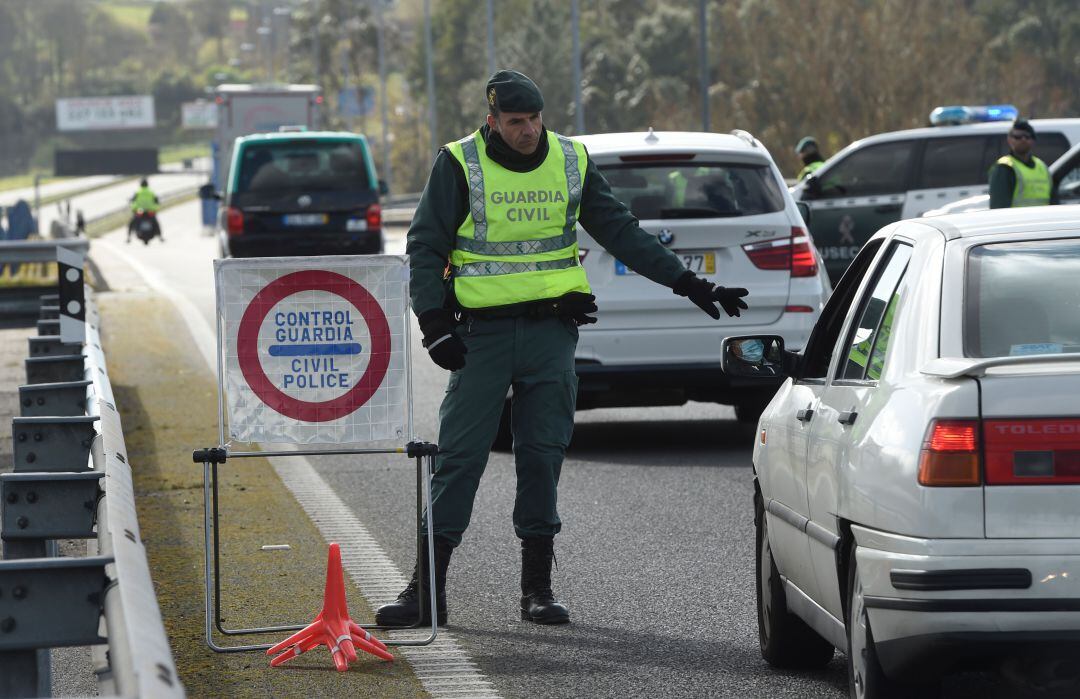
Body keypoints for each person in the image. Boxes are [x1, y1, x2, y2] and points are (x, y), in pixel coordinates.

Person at [377, 69, 750, 628]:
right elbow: (426, 245)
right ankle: (425, 589)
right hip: (480, 336)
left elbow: (620, 230)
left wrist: (690, 283)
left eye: (534, 120)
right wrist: (433, 323)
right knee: (458, 459)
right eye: (515, 122)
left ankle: (537, 590)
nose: (528, 131)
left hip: (552, 334)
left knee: (542, 456)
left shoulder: (570, 161)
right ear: (492, 121)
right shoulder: (459, 163)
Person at [989, 119, 1052, 209]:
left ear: (1033, 140)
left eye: (1027, 136)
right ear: (1009, 139)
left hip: (1043, 222)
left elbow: (1054, 202)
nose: (1023, 140)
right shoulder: (1004, 168)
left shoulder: (1042, 167)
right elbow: (999, 208)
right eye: (1017, 137)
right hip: (1018, 222)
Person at [127, 178, 161, 242]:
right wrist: (156, 207)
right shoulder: (151, 192)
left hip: (139, 211)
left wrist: (132, 206)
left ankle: (129, 237)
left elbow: (132, 200)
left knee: (131, 223)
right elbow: (156, 201)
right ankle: (160, 236)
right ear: (147, 185)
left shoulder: (138, 192)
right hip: (150, 211)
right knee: (156, 222)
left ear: (140, 185)